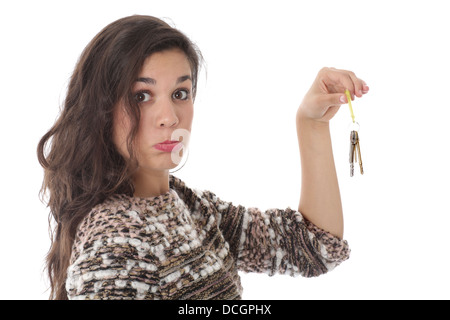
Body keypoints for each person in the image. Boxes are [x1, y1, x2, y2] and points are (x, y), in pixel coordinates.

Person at [37, 15, 368, 300]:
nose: (169, 117)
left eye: (180, 93)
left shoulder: (188, 206)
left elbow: (313, 247)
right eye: (142, 96)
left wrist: (311, 124)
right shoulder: (114, 240)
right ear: (101, 110)